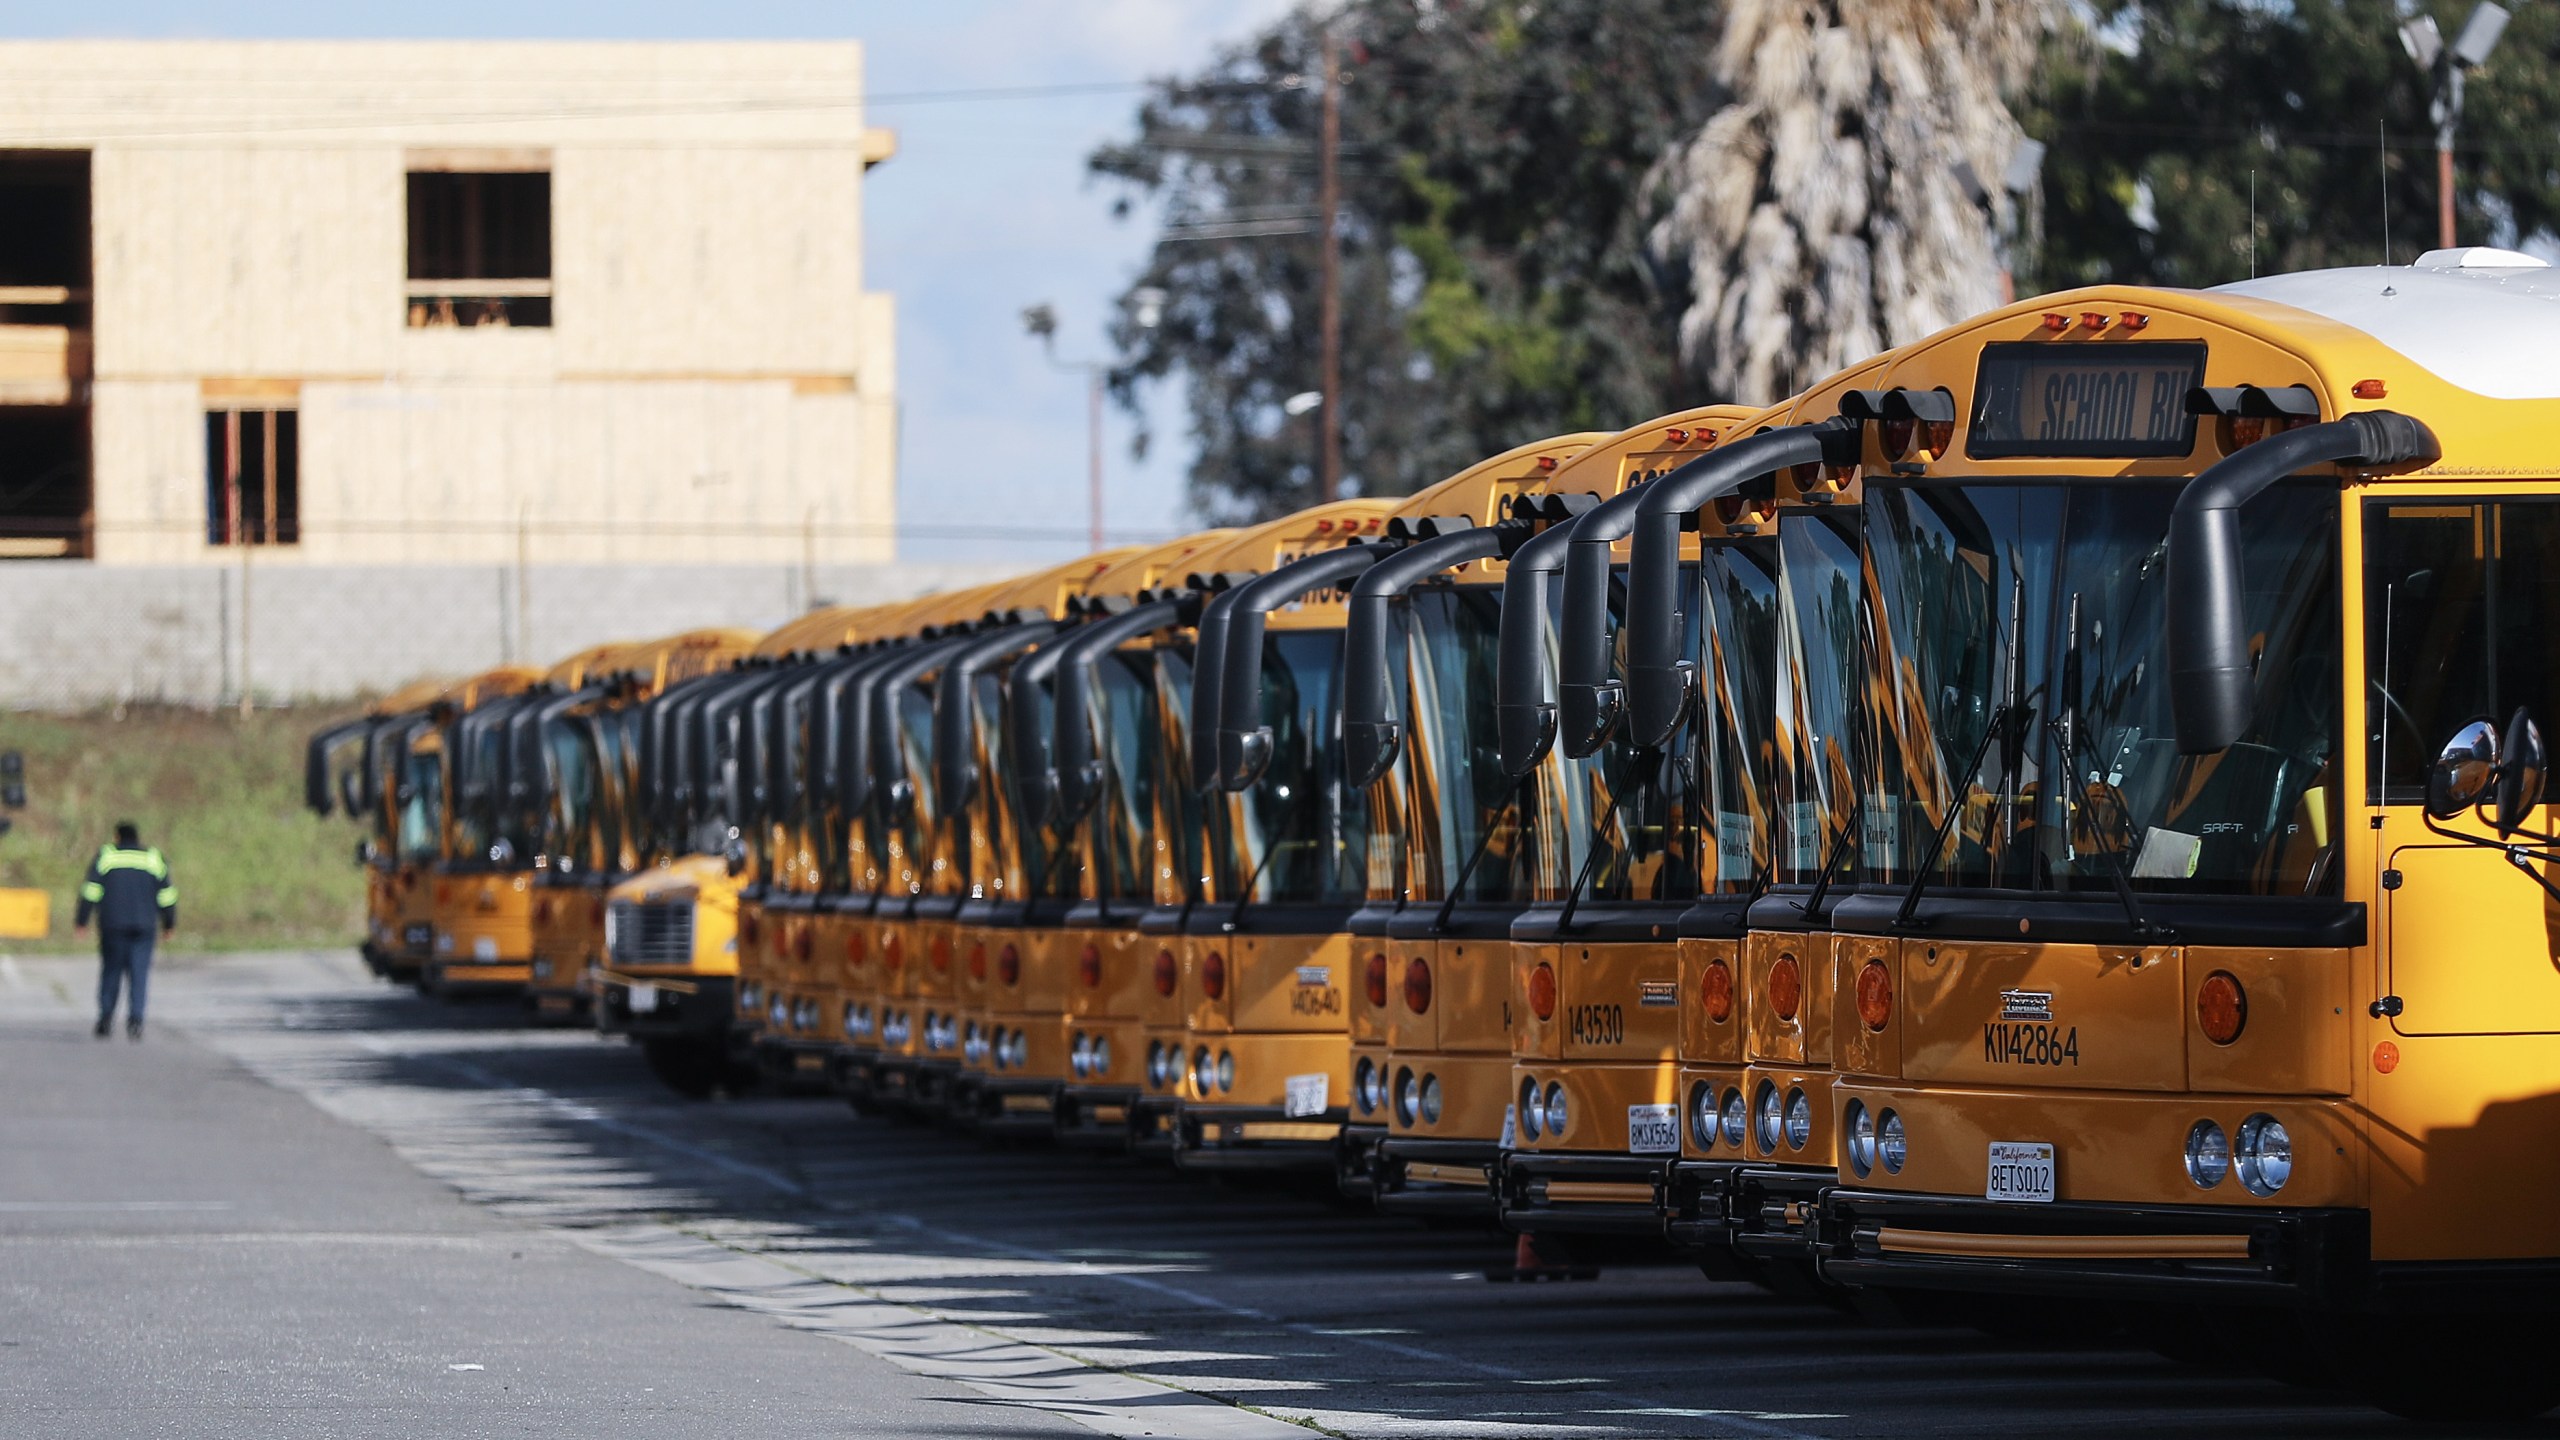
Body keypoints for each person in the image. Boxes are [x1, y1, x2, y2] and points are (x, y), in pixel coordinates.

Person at [74, 821, 176, 1041]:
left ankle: (105, 1018)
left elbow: (91, 890)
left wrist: (81, 921)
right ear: (138, 837)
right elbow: (166, 894)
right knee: (139, 974)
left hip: (113, 926)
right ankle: (136, 1021)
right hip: (144, 928)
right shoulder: (152, 858)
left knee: (111, 972)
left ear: (117, 837)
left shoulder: (107, 855)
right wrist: (169, 924)